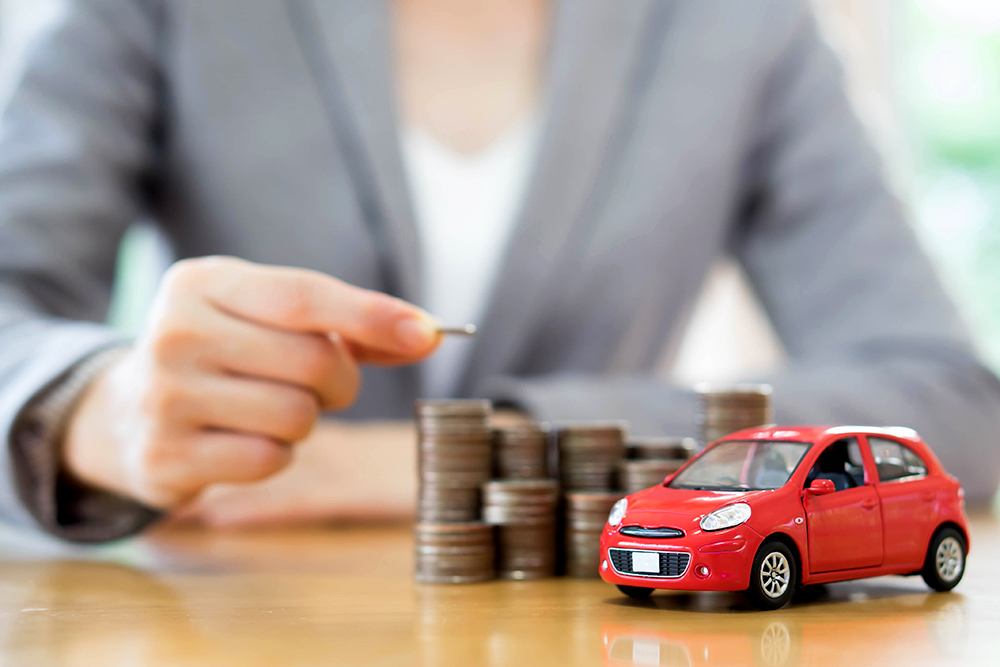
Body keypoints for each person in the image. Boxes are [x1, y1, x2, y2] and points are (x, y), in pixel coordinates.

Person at [1, 0, 998, 543]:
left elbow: (948, 399)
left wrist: (479, 456)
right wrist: (93, 408)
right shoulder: (149, 12)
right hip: (230, 609)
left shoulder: (749, 27)